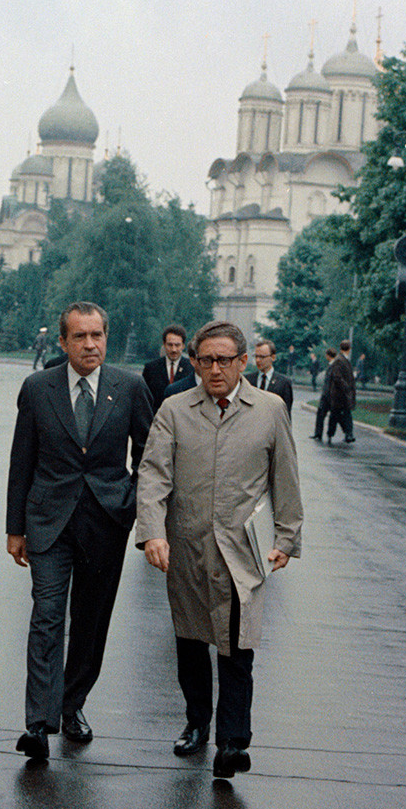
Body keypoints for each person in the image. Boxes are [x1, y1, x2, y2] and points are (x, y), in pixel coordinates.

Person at [136, 321, 303, 779]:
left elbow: (285, 476)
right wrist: (153, 532)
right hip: (188, 547)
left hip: (243, 552)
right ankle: (196, 723)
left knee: (237, 648)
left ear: (242, 362)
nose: (214, 369)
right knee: (190, 642)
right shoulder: (174, 410)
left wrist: (287, 537)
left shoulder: (269, 410)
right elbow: (153, 476)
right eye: (205, 360)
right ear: (193, 363)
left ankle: (233, 741)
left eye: (224, 360)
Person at [6, 301, 153, 760]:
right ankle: (37, 723)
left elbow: (148, 455)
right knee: (46, 618)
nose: (90, 345)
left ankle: (72, 706)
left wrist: (130, 504)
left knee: (90, 623)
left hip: (105, 522)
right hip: (48, 522)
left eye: (97, 336)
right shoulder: (37, 388)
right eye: (80, 337)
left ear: (105, 338)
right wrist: (15, 527)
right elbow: (21, 460)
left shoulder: (130, 387)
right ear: (64, 342)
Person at [142, 325, 193, 412]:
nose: (174, 349)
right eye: (170, 345)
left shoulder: (192, 368)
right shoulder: (151, 368)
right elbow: (144, 399)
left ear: (183, 346)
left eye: (177, 345)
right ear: (164, 345)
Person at [246, 339, 294, 415]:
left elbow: (286, 414)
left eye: (262, 357)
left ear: (273, 357)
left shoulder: (284, 383)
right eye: (256, 356)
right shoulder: (247, 380)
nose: (258, 360)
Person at [328, 339, 356, 444]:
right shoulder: (340, 360)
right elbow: (337, 377)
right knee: (336, 415)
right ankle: (333, 433)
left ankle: (348, 434)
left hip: (341, 394)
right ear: (349, 349)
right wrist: (347, 387)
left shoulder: (342, 359)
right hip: (340, 394)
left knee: (342, 414)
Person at [310, 348, 337, 442]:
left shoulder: (335, 366)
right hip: (327, 395)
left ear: (328, 356)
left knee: (330, 416)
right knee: (320, 414)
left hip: (330, 395)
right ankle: (318, 433)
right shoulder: (331, 365)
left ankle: (327, 434)